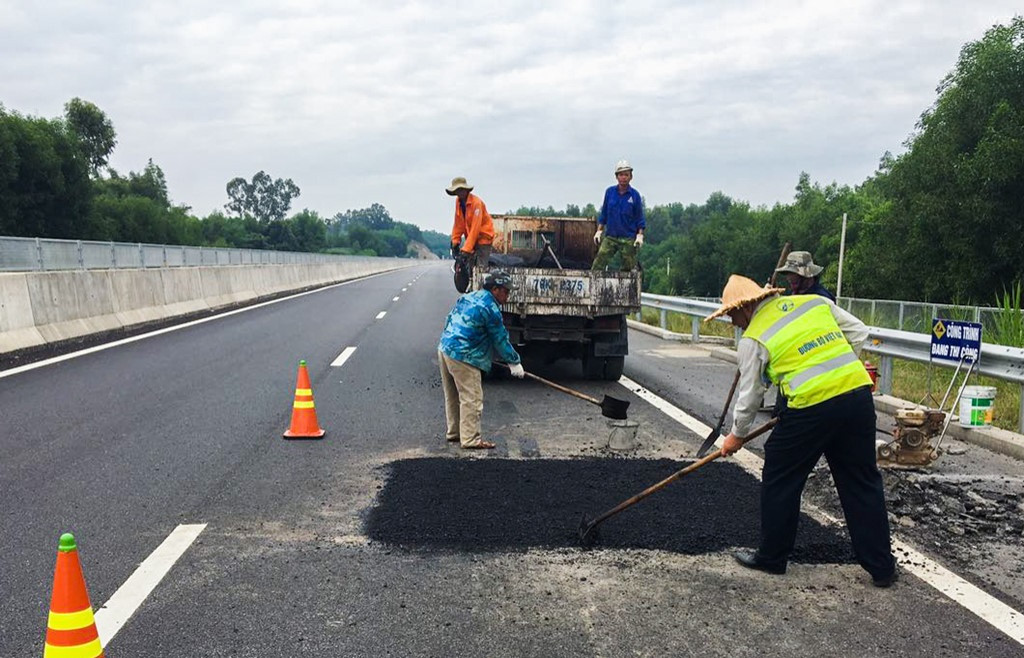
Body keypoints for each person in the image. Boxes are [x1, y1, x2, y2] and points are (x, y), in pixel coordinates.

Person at [705, 274, 897, 587]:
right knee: (861, 482)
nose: (733, 323)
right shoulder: (815, 303)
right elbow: (859, 333)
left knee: (781, 475)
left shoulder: (754, 337)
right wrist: (834, 372)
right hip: (857, 397)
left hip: (811, 409)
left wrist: (736, 436)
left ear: (746, 307)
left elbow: (751, 395)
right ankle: (882, 567)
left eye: (732, 315)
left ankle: (772, 556)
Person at [438, 269, 525, 449]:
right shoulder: (490, 308)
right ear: (495, 289)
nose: (508, 296)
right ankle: (470, 439)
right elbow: (500, 338)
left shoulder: (470, 296)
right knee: (472, 397)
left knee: (453, 395)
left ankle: (455, 433)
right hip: (464, 355)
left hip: (445, 347)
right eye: (506, 291)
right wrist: (514, 362)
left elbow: (449, 319)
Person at [592, 160, 645, 271]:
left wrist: (639, 236)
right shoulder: (610, 192)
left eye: (626, 175)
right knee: (599, 260)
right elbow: (604, 213)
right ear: (616, 177)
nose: (623, 177)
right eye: (621, 175)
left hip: (628, 238)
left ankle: (624, 287)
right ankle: (594, 286)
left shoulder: (635, 195)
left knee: (628, 266)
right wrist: (599, 231)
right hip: (611, 236)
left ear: (631, 177)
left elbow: (639, 218)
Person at [447, 176, 494, 268]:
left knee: (480, 268)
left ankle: (480, 279)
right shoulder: (458, 202)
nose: (459, 193)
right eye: (457, 191)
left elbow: (475, 228)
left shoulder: (476, 203)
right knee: (468, 266)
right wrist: (455, 242)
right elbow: (458, 224)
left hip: (483, 238)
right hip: (471, 238)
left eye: (461, 190)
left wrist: (466, 250)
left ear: (466, 190)